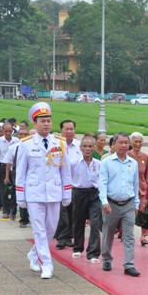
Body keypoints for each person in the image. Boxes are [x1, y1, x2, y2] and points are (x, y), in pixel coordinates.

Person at [15, 103, 72, 279]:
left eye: (48, 120)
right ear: (35, 123)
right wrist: (20, 195)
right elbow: (21, 171)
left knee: (51, 229)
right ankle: (46, 264)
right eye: (42, 121)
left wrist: (67, 192)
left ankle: (34, 254)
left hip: (54, 192)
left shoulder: (59, 143)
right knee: (39, 230)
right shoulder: (26, 144)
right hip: (34, 193)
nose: (46, 124)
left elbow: (66, 170)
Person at [98, 133, 141, 277]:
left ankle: (129, 264)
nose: (123, 145)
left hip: (128, 204)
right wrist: (104, 201)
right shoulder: (107, 162)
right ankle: (106, 258)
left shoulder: (133, 163)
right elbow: (102, 183)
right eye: (120, 142)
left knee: (129, 235)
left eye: (125, 142)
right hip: (111, 204)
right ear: (114, 145)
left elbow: (135, 184)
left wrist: (136, 203)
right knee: (108, 233)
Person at [71, 135, 102, 263]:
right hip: (79, 192)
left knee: (95, 223)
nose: (87, 149)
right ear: (80, 148)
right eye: (85, 146)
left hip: (94, 194)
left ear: (94, 148)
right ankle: (78, 247)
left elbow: (102, 180)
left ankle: (93, 253)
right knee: (78, 221)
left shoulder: (99, 164)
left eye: (90, 146)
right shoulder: (74, 163)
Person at [54, 119, 81, 249]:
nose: (69, 131)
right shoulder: (55, 144)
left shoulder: (79, 146)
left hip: (74, 184)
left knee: (72, 211)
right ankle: (61, 236)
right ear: (61, 130)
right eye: (67, 129)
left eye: (72, 129)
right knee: (61, 210)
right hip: (59, 183)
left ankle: (69, 235)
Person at [128, 132, 148, 246]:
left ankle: (143, 236)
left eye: (140, 142)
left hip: (142, 189)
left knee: (144, 211)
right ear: (131, 142)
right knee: (128, 213)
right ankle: (125, 234)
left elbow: (147, 176)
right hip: (128, 189)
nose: (138, 144)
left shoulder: (145, 157)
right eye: (135, 141)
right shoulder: (126, 155)